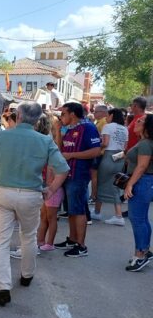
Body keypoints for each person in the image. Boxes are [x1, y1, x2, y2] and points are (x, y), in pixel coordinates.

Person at [0, 102, 69, 306]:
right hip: (31, 194)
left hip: (3, 192)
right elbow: (63, 169)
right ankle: (27, 274)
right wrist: (51, 189)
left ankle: (3, 286)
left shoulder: (0, 137)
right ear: (37, 119)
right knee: (28, 236)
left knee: (1, 240)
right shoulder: (45, 140)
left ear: (18, 115)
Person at [56, 102, 101, 257]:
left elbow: (96, 151)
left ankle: (81, 246)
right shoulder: (69, 129)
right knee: (71, 210)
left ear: (72, 114)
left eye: (63, 114)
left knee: (79, 209)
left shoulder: (88, 128)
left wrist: (72, 155)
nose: (61, 117)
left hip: (79, 174)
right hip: (66, 174)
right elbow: (60, 150)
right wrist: (58, 132)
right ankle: (72, 239)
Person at [124, 114, 153, 272]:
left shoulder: (146, 144)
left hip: (142, 182)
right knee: (142, 219)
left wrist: (130, 184)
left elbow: (142, 166)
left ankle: (140, 255)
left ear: (147, 126)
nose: (137, 122)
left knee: (137, 219)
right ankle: (145, 250)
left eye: (140, 121)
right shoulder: (144, 142)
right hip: (144, 182)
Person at [92, 108, 128, 225]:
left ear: (112, 115)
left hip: (108, 156)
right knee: (115, 185)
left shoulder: (108, 127)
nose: (106, 118)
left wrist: (96, 146)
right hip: (120, 157)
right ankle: (117, 214)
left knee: (101, 183)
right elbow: (125, 147)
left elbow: (105, 143)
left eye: (107, 115)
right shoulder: (125, 129)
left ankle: (98, 212)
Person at [35, 113, 65, 251]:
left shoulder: (52, 149)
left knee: (51, 217)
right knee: (44, 216)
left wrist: (50, 185)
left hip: (53, 188)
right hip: (48, 187)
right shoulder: (49, 143)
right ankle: (41, 241)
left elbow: (56, 169)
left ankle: (49, 243)